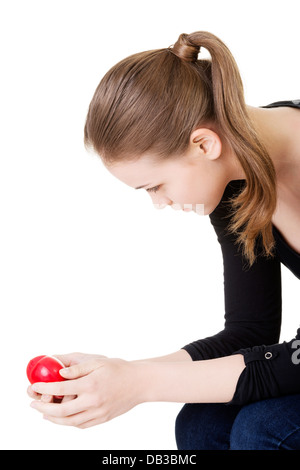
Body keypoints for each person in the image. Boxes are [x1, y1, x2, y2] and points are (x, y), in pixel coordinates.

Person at [28, 31, 300, 450]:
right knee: (202, 422)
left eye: (155, 186)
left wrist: (140, 384)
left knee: (263, 428)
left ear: (204, 144)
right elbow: (250, 334)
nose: (160, 203)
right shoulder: (234, 181)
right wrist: (120, 373)